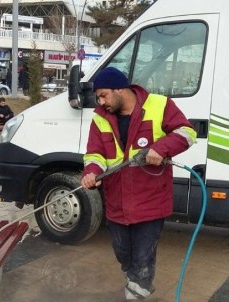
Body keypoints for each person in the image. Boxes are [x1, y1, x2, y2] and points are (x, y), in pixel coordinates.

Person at [80, 67, 197, 301]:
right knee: (123, 253)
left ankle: (137, 289)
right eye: (98, 97)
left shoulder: (159, 105)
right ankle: (135, 279)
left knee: (143, 256)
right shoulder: (100, 119)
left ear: (120, 89)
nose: (101, 102)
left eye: (103, 95)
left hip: (150, 200)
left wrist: (160, 148)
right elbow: (95, 153)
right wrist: (91, 172)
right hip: (117, 201)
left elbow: (187, 132)